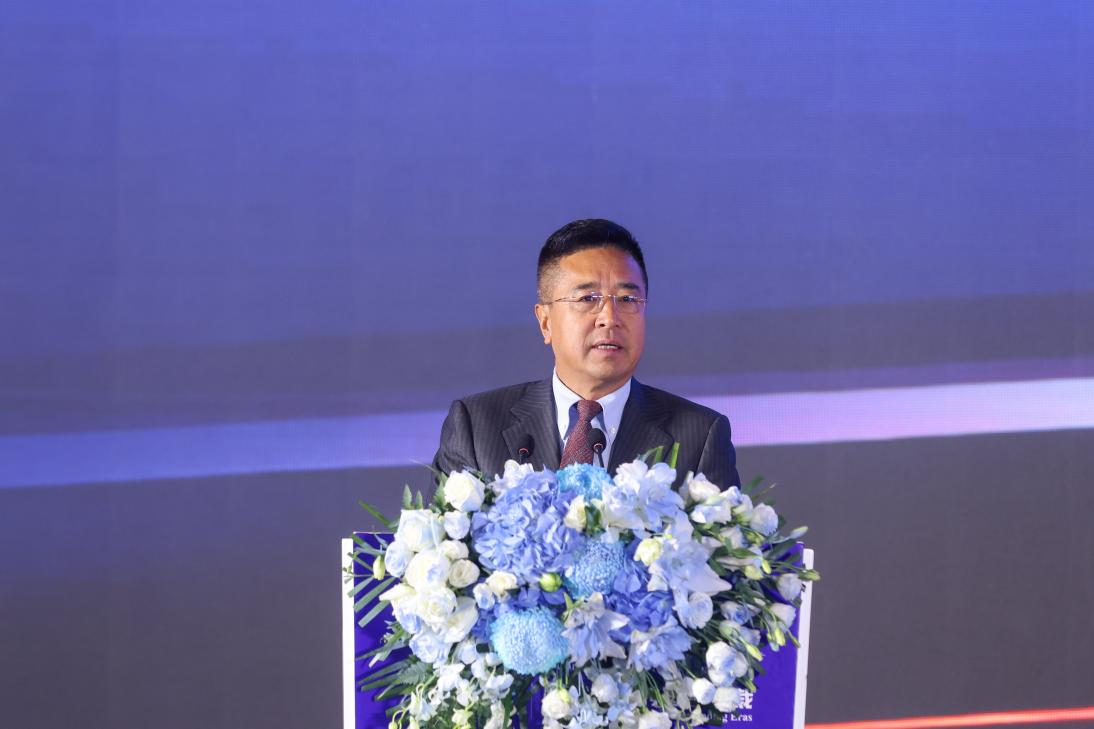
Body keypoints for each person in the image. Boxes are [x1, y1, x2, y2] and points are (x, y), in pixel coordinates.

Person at [432, 218, 740, 488]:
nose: (610, 317)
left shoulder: (699, 436)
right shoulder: (476, 426)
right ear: (545, 321)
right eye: (588, 298)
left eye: (628, 299)